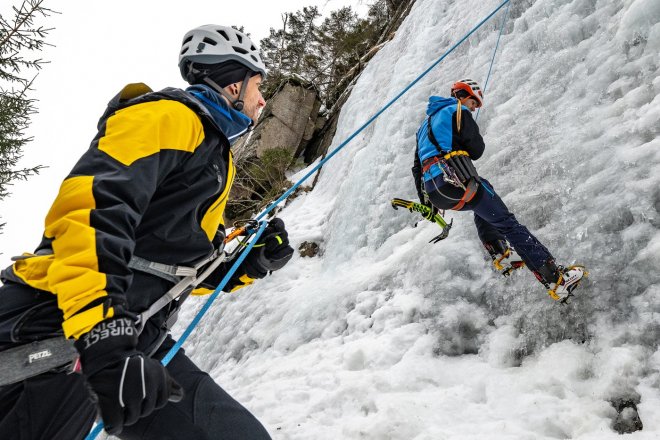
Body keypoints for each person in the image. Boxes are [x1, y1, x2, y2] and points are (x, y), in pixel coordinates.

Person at [0, 25, 294, 439]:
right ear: (234, 83)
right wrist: (103, 333)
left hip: (133, 335)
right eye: (259, 85)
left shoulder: (213, 155)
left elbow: (169, 271)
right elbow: (93, 210)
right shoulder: (169, 115)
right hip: (63, 321)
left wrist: (251, 263)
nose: (262, 99)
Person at [412, 78, 585, 301]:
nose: (474, 110)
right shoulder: (457, 110)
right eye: (474, 104)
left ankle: (502, 254)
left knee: (484, 195)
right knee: (508, 224)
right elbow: (477, 150)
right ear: (465, 96)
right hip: (456, 181)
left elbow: (417, 168)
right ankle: (556, 280)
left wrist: (428, 203)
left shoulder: (422, 128)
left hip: (438, 193)